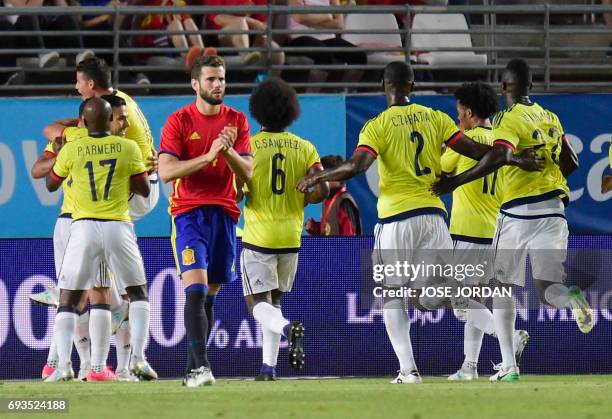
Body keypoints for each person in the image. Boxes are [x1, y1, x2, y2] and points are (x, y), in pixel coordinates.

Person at [297, 61, 542, 384]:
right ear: (412, 86)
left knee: (391, 294)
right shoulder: (436, 118)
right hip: (434, 219)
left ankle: (408, 371)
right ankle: (504, 335)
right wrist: (515, 158)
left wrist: (319, 176)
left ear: (384, 85)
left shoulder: (377, 125)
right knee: (449, 295)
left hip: (396, 220)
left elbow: (357, 165)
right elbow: (476, 150)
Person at [433, 58, 593, 382]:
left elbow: (498, 155)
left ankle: (509, 365)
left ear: (504, 87)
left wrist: (457, 181)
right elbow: (571, 162)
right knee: (549, 288)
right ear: (531, 86)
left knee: (501, 290)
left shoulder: (507, 118)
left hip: (517, 212)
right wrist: (545, 173)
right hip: (554, 209)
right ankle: (572, 299)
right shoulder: (550, 117)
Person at [158, 55, 253, 387]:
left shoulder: (237, 120)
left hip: (225, 215)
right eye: (211, 79)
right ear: (195, 84)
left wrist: (226, 151)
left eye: (222, 79)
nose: (218, 85)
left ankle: (192, 370)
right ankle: (202, 367)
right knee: (195, 291)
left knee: (210, 294)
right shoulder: (179, 121)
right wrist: (208, 155)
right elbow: (166, 171)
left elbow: (249, 171)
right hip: (188, 215)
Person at [44, 97, 151, 382]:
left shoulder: (73, 148)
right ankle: (138, 360)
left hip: (83, 228)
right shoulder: (128, 148)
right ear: (109, 120)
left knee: (68, 299)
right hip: (117, 225)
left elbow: (50, 183)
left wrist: (60, 155)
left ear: (84, 122)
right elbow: (142, 189)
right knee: (137, 292)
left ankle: (63, 365)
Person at [238, 77, 329, 381]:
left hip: (258, 236)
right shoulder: (304, 148)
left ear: (257, 111)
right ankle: (268, 367)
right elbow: (322, 188)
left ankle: (289, 329)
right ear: (291, 111)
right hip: (291, 237)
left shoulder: (249, 147)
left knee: (257, 303)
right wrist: (308, 189)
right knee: (274, 302)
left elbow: (237, 192)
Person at [441, 81, 528, 381]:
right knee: (476, 298)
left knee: (461, 304)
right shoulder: (505, 142)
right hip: (500, 232)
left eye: (458, 113)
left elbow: (441, 169)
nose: (457, 118)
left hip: (469, 234)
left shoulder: (463, 141)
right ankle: (469, 367)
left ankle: (509, 338)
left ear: (467, 112)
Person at [305, 155, 361, 236]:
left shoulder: (344, 202)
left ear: (335, 176)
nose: (318, 181)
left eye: (322, 176)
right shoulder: (328, 199)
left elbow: (350, 241)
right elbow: (329, 230)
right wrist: (315, 228)